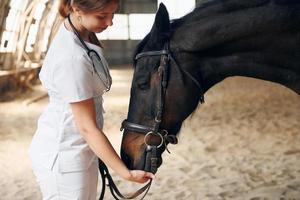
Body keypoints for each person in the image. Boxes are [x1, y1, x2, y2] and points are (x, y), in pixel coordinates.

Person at [28, 0, 154, 199]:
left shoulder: (81, 32)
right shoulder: (72, 59)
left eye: (113, 14)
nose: (110, 22)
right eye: (102, 16)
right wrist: (125, 173)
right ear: (77, 9)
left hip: (80, 149)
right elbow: (87, 127)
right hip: (65, 156)